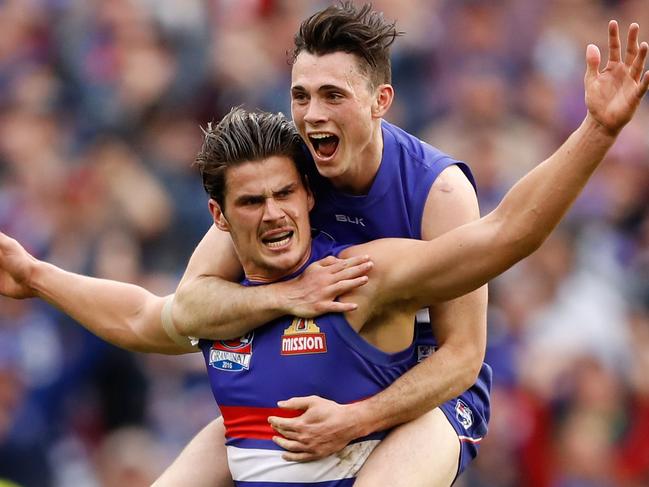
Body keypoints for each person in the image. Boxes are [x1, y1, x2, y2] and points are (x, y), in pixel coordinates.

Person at [2, 61, 648, 483]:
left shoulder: (357, 275)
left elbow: (507, 233)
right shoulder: (219, 301)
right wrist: (32, 273)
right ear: (218, 217)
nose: (274, 213)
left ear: (310, 194)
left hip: (396, 436)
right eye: (252, 202)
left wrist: (595, 129)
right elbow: (144, 317)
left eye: (285, 194)